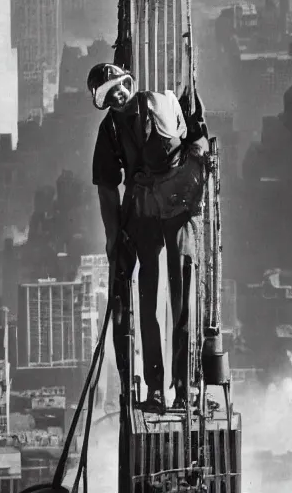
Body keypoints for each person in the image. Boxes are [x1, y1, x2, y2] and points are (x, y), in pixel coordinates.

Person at [88, 62, 209, 414]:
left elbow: (196, 140)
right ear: (105, 100)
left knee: (182, 298)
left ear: (128, 81)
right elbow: (106, 188)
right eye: (109, 93)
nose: (118, 94)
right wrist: (114, 241)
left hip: (180, 208)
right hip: (143, 214)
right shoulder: (110, 129)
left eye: (120, 85)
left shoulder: (162, 102)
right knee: (148, 302)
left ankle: (184, 389)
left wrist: (196, 171)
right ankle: (156, 389)